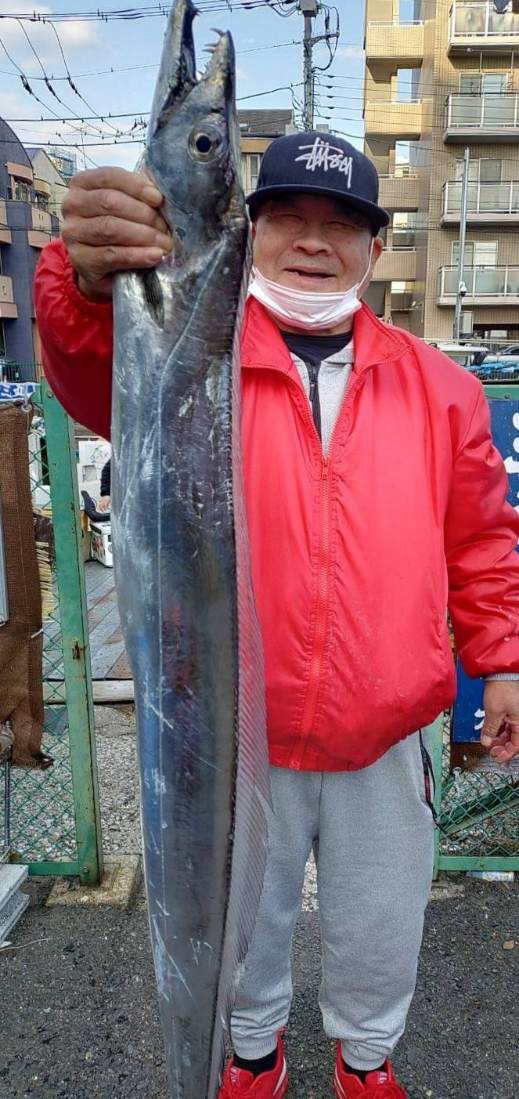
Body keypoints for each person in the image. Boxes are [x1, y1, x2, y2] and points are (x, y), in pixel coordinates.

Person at [33, 132, 519, 1099]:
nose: (313, 240)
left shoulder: (442, 386)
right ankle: (251, 1052)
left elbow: (480, 538)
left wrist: (501, 659)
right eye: (288, 217)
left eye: (341, 224)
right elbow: (90, 371)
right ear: (250, 234)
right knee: (243, 920)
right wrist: (81, 283)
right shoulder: (192, 358)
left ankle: (366, 1058)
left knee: (380, 919)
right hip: (236, 729)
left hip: (386, 726)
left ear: (373, 248)